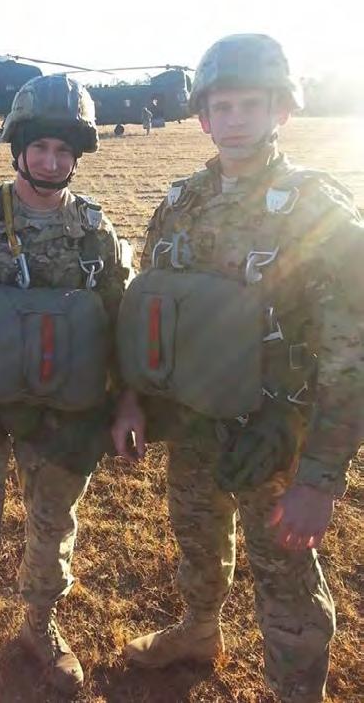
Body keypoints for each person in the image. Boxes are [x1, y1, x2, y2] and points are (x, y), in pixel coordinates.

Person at [112, 34, 363, 703]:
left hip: (274, 435)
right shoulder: (182, 202)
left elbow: (350, 358)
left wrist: (319, 478)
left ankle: (297, 690)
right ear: (202, 117)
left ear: (282, 110)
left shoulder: (317, 209)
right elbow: (151, 309)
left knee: (286, 578)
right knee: (196, 539)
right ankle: (198, 631)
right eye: (221, 106)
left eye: (252, 104)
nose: (236, 120)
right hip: (193, 420)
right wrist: (133, 399)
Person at [0, 74, 132, 700]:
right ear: (18, 147)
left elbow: (120, 321)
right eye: (40, 147)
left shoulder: (93, 229)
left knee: (53, 520)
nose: (51, 161)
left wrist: (119, 402)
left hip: (62, 406)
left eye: (64, 150)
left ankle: (40, 622)